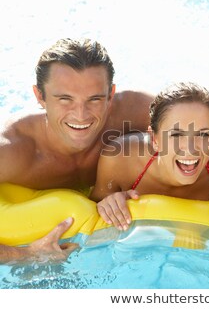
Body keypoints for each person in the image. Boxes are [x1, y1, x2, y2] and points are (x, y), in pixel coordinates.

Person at [0, 38, 154, 264]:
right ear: (39, 96)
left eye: (94, 99)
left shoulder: (134, 111)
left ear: (110, 94)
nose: (81, 115)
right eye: (65, 99)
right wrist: (24, 255)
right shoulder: (12, 151)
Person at [90, 82, 209, 230]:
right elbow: (92, 211)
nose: (190, 149)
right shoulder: (120, 160)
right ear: (155, 139)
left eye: (203, 135)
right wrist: (108, 202)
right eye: (176, 134)